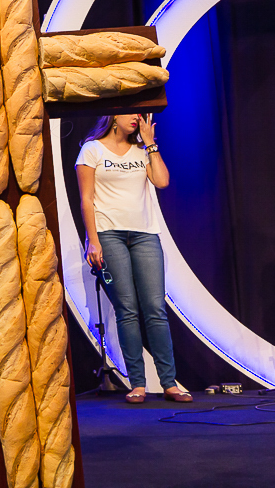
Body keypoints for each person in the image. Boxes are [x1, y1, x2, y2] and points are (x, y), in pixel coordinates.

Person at [76, 113, 192, 404]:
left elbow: (162, 181)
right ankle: (137, 384)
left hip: (145, 234)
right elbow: (86, 198)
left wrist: (150, 144)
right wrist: (92, 239)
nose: (137, 118)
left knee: (155, 308)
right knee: (127, 309)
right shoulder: (92, 149)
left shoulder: (142, 151)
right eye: (131, 113)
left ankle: (169, 383)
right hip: (109, 235)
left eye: (140, 114)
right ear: (114, 116)